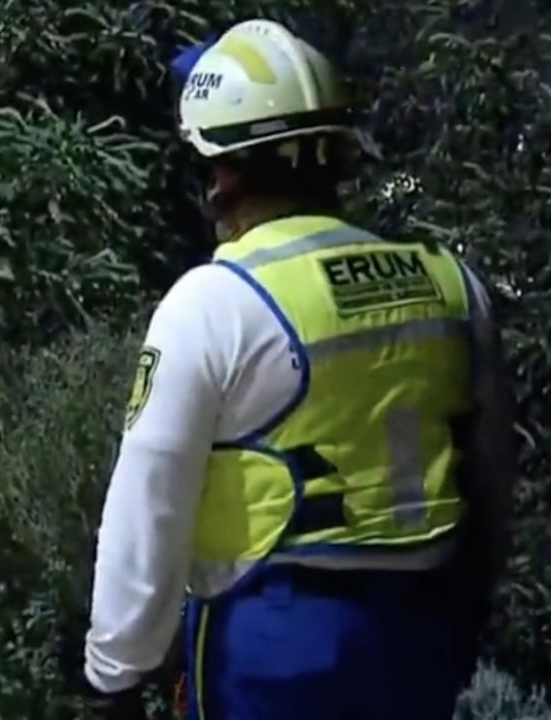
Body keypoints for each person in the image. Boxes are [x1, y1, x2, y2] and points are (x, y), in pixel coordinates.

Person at [80, 20, 514, 720]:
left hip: (271, 648)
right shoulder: (453, 285)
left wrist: (115, 678)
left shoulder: (213, 302)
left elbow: (148, 510)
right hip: (420, 636)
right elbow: (490, 484)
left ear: (221, 174)